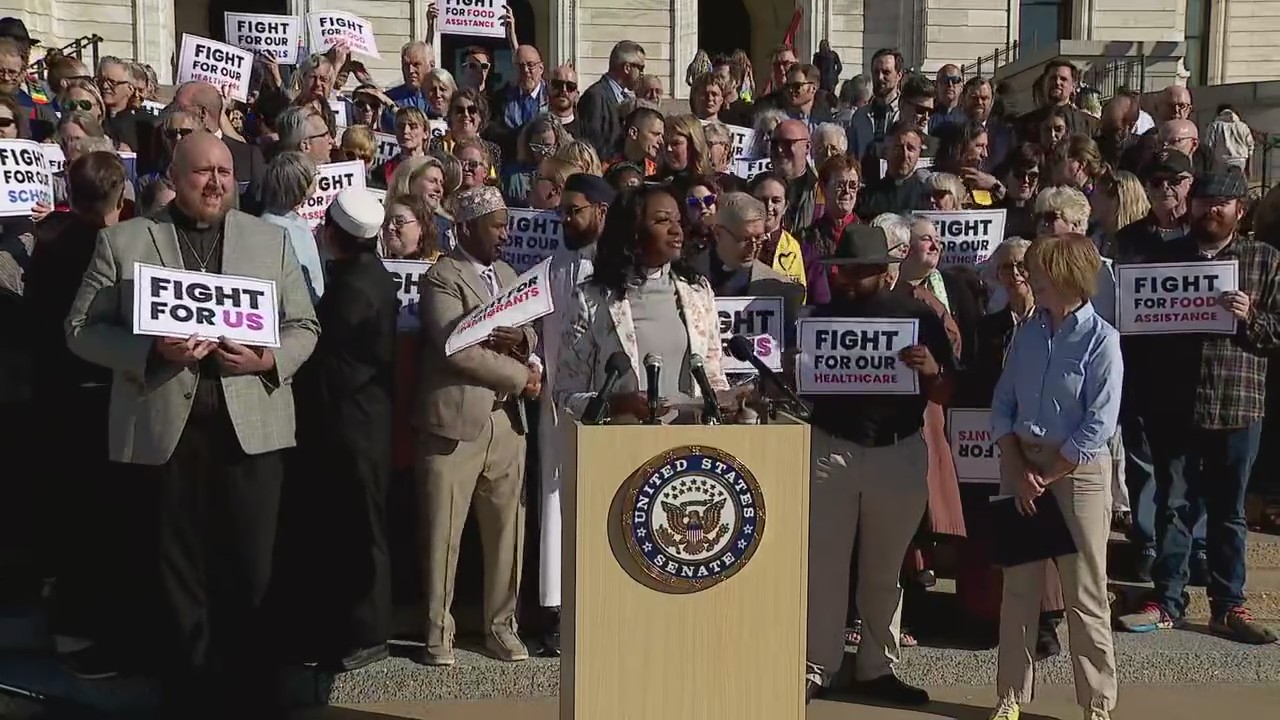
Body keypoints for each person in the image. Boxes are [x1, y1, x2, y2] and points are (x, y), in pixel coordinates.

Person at [63, 133, 319, 716]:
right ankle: (188, 697)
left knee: (252, 572)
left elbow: (305, 325)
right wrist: (151, 352)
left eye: (226, 171)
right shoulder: (125, 242)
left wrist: (268, 359)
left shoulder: (270, 241)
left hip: (250, 432)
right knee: (176, 577)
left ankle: (251, 694)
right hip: (165, 436)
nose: (216, 182)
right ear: (174, 176)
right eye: (202, 171)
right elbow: (79, 331)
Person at [1115, 171, 1280, 645]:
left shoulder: (1265, 261)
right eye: (1205, 199)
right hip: (1175, 405)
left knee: (1228, 512)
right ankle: (1167, 601)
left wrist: (1252, 317)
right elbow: (1140, 332)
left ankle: (1228, 605)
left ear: (1239, 211)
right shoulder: (1164, 258)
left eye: (1222, 202)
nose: (1211, 209)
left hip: (1239, 403)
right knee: (1173, 506)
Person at [804, 223, 954, 707]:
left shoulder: (919, 316)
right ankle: (816, 666)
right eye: (843, 271)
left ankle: (876, 667)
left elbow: (950, 391)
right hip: (831, 449)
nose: (849, 281)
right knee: (823, 567)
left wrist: (931, 370)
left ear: (884, 273)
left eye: (860, 272)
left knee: (883, 571)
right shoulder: (819, 317)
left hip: (897, 450)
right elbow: (801, 385)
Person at [989, 233, 1123, 720]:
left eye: (1039, 275)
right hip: (1022, 467)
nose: (1030, 281)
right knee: (1019, 591)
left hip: (1077, 474)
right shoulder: (1027, 333)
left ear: (1067, 279)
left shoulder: (1102, 341)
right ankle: (1009, 696)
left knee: (1085, 592)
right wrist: (1019, 468)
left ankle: (1097, 703)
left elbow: (1098, 424)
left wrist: (1046, 473)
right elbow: (1003, 404)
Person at [416, 185, 541, 666]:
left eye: (506, 224)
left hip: (507, 424)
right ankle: (436, 633)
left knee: (507, 532)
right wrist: (521, 375)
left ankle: (500, 627)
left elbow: (531, 325)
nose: (505, 234)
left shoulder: (508, 274)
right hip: (454, 423)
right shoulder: (440, 278)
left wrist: (524, 340)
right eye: (496, 226)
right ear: (465, 229)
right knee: (442, 533)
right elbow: (456, 345)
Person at [294, 189, 398, 672]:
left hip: (353, 424)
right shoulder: (362, 276)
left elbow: (338, 364)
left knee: (361, 530)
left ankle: (367, 633)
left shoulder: (356, 288)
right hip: (356, 422)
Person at [555, 184, 729, 422]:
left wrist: (729, 400)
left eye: (678, 220)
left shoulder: (698, 291)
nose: (676, 230)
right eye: (662, 221)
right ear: (634, 230)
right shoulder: (591, 298)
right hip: (622, 448)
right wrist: (617, 404)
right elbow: (565, 394)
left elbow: (713, 377)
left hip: (690, 450)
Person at [537, 174, 612, 656]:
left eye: (576, 209)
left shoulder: (619, 267)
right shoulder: (550, 266)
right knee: (556, 496)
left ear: (602, 212)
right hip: (558, 400)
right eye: (563, 209)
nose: (566, 218)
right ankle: (557, 609)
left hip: (608, 399)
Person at [259, 151, 324, 303]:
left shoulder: (294, 219)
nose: (317, 180)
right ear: (301, 185)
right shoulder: (272, 230)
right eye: (315, 175)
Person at [578, 40, 647, 158]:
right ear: (627, 68)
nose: (642, 74)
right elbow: (592, 146)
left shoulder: (625, 97)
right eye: (640, 68)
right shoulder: (595, 96)